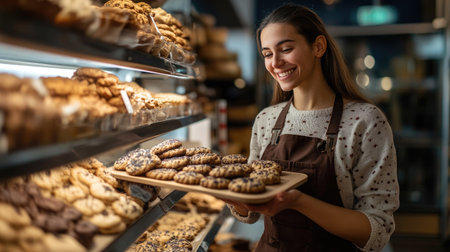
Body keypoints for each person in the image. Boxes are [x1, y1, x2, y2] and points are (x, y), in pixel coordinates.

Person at [224, 3, 399, 252]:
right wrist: (233, 197)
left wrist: (297, 201)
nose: (276, 62)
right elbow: (251, 213)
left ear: (318, 46)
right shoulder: (266, 120)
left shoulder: (365, 121)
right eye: (267, 54)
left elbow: (377, 230)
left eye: (286, 49)